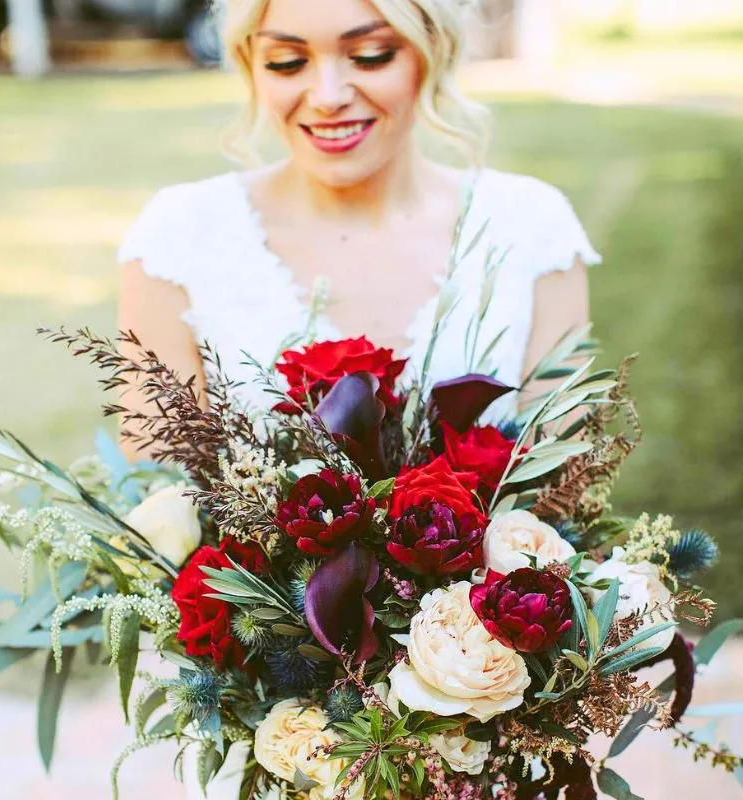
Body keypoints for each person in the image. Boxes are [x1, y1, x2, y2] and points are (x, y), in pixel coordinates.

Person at [116, 0, 599, 794]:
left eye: (370, 55)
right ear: (248, 66)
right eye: (287, 61)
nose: (329, 92)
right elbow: (154, 508)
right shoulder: (179, 235)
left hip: (486, 740)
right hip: (270, 748)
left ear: (430, 52)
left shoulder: (528, 225)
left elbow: (561, 502)